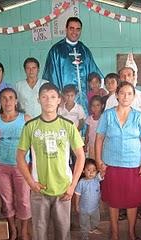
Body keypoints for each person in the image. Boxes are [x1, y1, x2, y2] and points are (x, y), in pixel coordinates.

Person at [17, 83, 85, 240]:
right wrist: (31, 182)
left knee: (63, 233)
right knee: (39, 233)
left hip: (63, 189)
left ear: (59, 100)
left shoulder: (68, 125)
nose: (49, 101)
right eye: (44, 97)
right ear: (38, 100)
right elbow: (20, 157)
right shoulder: (30, 126)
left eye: (53, 97)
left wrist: (72, 186)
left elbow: (81, 156)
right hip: (39, 189)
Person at [96, 81, 141, 240]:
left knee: (132, 201)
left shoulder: (138, 116)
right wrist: (99, 161)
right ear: (116, 95)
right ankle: (114, 233)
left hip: (134, 165)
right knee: (113, 200)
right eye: (122, 93)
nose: (126, 96)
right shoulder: (107, 115)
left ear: (133, 97)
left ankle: (132, 233)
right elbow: (99, 139)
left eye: (129, 94)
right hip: (111, 164)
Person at [0, 88, 31, 240]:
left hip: (22, 167)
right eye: (4, 98)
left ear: (16, 101)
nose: (8, 101)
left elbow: (32, 145)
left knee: (24, 200)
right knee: (7, 201)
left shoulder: (25, 119)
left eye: (11, 98)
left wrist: (33, 169)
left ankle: (24, 231)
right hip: (1, 167)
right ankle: (13, 230)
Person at [42, 17, 103, 113]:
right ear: (66, 29)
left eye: (78, 29)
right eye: (72, 28)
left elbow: (94, 74)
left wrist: (100, 90)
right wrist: (57, 97)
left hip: (84, 101)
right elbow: (51, 78)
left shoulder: (84, 50)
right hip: (64, 101)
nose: (75, 32)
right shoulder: (56, 51)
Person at [75, 158, 103, 240]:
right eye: (88, 170)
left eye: (94, 170)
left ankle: (93, 228)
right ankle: (84, 235)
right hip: (84, 208)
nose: (91, 172)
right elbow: (77, 194)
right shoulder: (81, 182)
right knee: (84, 223)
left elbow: (102, 173)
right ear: (83, 170)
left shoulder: (97, 179)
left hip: (95, 207)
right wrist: (76, 205)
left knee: (96, 220)